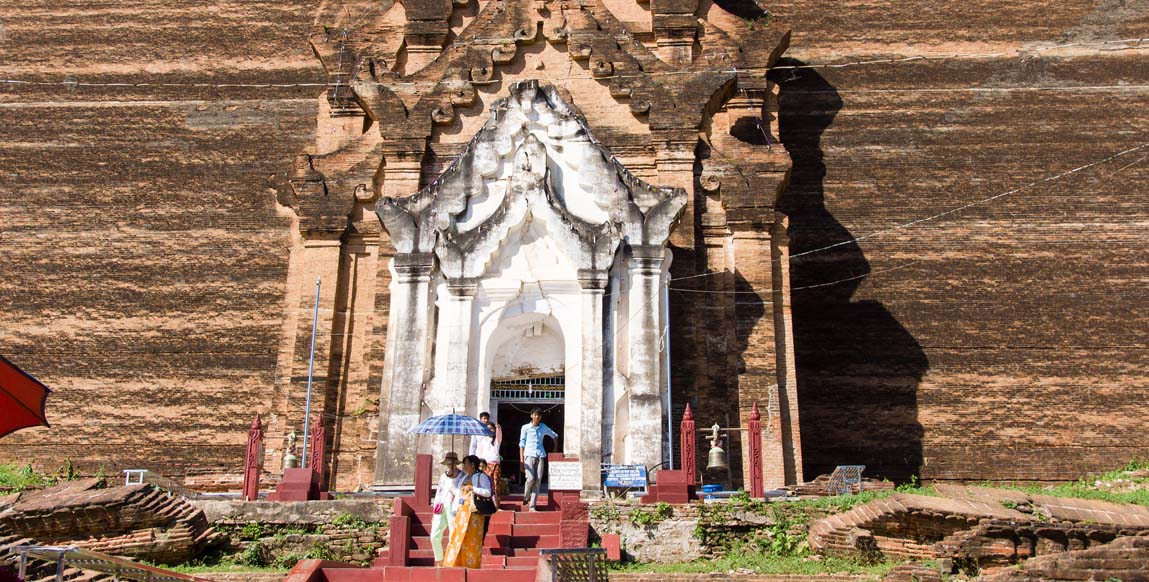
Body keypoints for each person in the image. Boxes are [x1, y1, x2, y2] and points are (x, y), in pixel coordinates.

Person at [443, 455, 495, 568]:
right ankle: (454, 564)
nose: (464, 466)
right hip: (462, 513)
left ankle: (471, 566)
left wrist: (473, 489)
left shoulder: (481, 477)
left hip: (474, 513)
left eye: (466, 463)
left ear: (472, 465)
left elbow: (488, 492)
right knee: (457, 538)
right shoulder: (464, 477)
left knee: (472, 540)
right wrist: (455, 509)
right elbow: (458, 493)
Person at [518, 407, 558, 512]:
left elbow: (555, 436)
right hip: (528, 455)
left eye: (539, 415)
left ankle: (532, 506)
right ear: (531, 416)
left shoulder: (543, 427)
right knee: (530, 479)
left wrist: (555, 448)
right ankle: (526, 497)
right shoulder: (525, 428)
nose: (537, 417)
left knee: (538, 480)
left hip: (540, 455)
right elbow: (521, 445)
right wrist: (521, 461)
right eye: (535, 415)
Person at [430, 452, 465, 566]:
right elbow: (439, 492)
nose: (450, 465)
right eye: (448, 464)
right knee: (434, 535)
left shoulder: (462, 476)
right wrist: (436, 505)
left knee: (452, 534)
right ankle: (439, 560)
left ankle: (451, 560)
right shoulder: (443, 476)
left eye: (451, 463)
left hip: (453, 506)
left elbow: (460, 492)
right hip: (441, 506)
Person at [475, 420, 505, 502]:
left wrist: (498, 428)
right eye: (487, 429)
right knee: (486, 484)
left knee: (495, 484)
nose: (489, 430)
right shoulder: (483, 440)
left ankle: (496, 504)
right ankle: (487, 502)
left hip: (495, 464)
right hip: (485, 465)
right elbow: (478, 452)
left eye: (491, 429)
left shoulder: (496, 441)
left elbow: (499, 435)